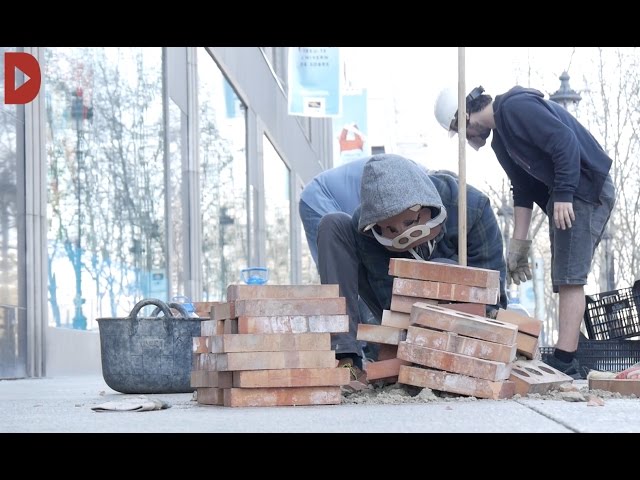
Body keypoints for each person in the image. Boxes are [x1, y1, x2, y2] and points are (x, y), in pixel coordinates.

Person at [434, 85, 616, 379]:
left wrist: (566, 194)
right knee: (565, 275)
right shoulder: (501, 142)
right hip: (566, 191)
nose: (465, 140)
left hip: (584, 188)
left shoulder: (515, 108)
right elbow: (523, 189)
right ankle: (571, 347)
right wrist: (518, 245)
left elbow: (564, 141)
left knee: (569, 277)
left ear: (464, 116)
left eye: (460, 131)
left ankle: (565, 359)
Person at [316, 153, 508, 374]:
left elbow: (493, 297)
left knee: (443, 268)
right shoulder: (367, 228)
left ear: (426, 208)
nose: (402, 236)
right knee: (334, 225)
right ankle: (346, 359)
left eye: (409, 223)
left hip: (464, 317)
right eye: (391, 230)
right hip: (401, 310)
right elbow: (390, 299)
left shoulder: (471, 207)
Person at [299, 157, 377, 355]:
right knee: (339, 277)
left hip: (342, 205)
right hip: (319, 199)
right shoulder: (415, 187)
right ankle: (351, 353)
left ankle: (362, 346)